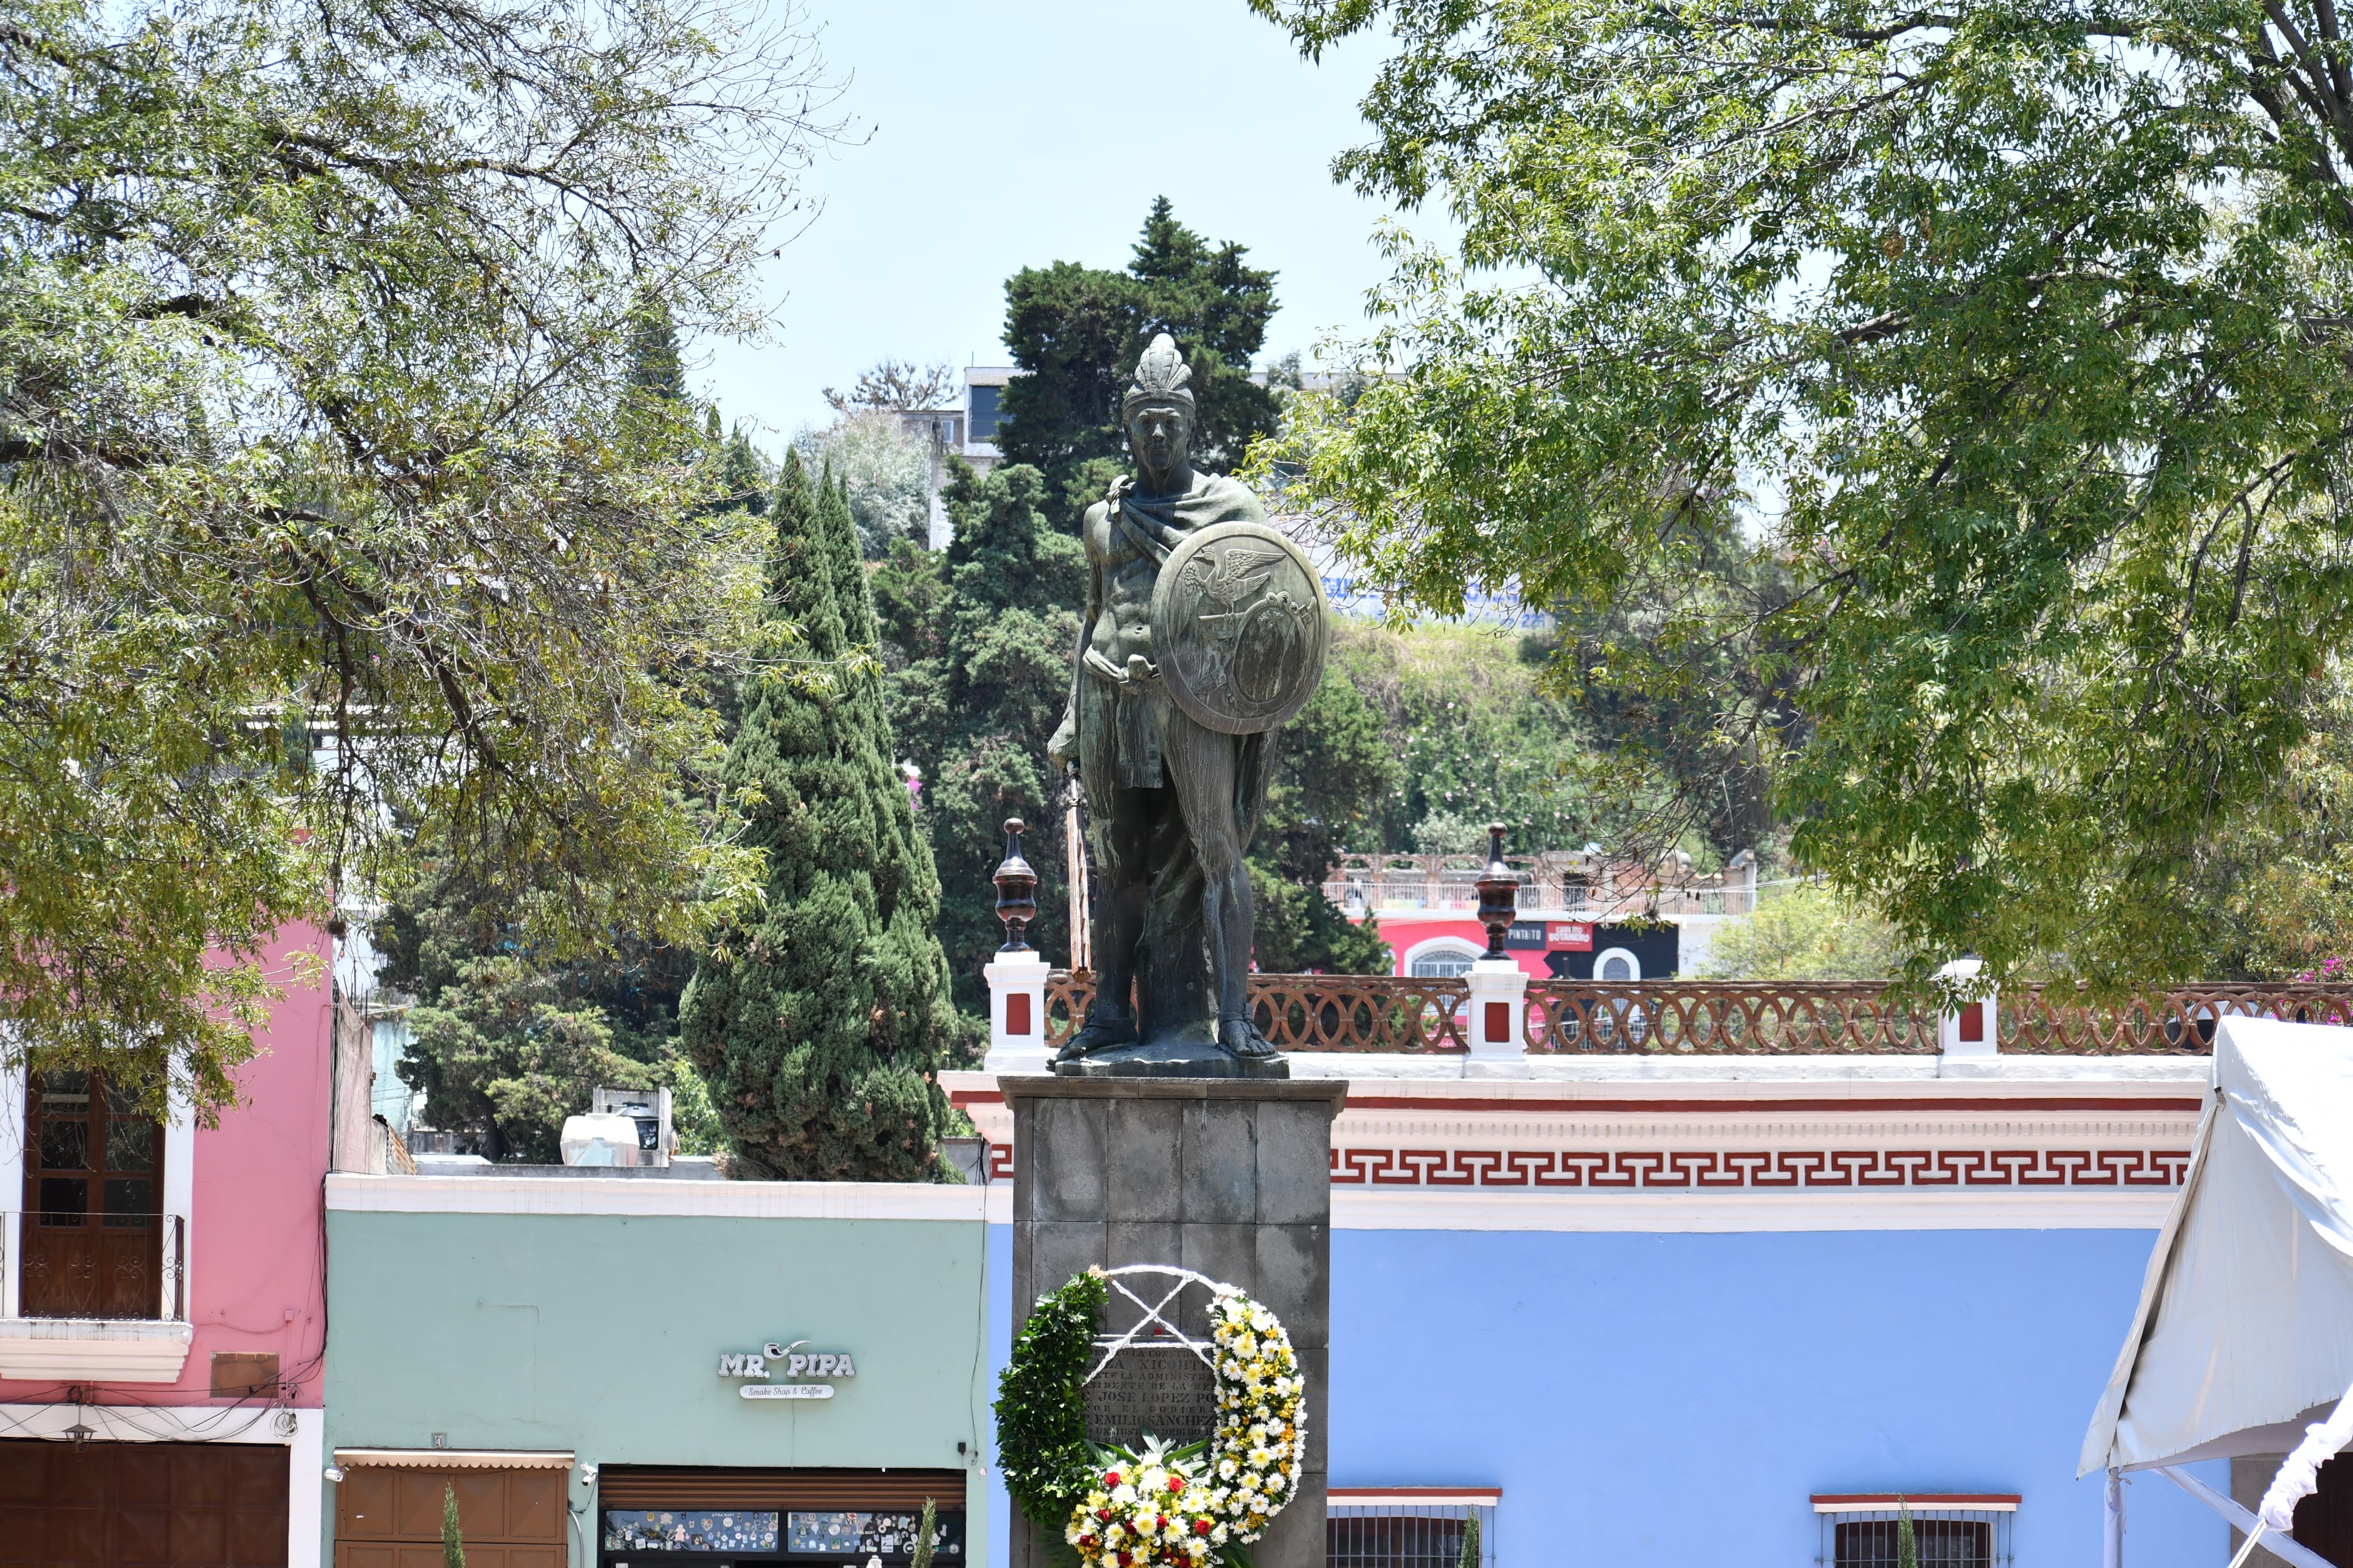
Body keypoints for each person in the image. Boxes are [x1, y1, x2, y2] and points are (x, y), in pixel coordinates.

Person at [1046, 334, 1277, 1063]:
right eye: (1143, 419)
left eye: (1168, 421)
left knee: (1218, 851)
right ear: (1126, 422)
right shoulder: (1102, 518)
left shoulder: (1230, 505)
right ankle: (1111, 1009)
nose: (1155, 434)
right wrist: (1068, 719)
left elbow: (1271, 613)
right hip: (1109, 698)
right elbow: (1094, 616)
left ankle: (1234, 1020)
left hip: (1193, 704)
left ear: (1189, 423)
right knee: (1119, 862)